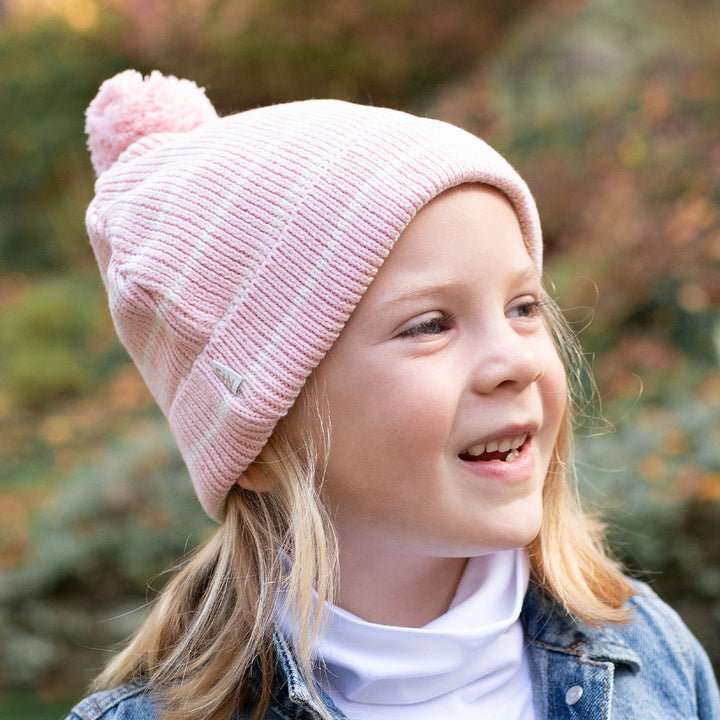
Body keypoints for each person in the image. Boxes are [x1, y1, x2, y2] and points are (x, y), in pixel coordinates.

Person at [67, 70, 719, 720]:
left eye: (523, 306)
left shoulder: (654, 658)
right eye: (431, 324)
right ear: (262, 441)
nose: (513, 361)